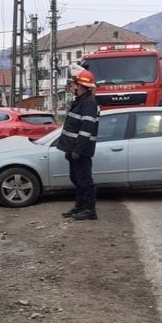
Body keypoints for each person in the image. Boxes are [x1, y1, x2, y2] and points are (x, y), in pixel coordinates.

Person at [57, 70, 99, 221]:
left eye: (74, 84)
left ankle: (89, 210)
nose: (71, 86)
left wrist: (78, 150)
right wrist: (69, 149)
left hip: (81, 150)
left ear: (81, 86)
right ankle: (80, 207)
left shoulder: (88, 103)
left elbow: (86, 130)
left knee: (84, 180)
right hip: (73, 148)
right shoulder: (81, 101)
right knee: (76, 179)